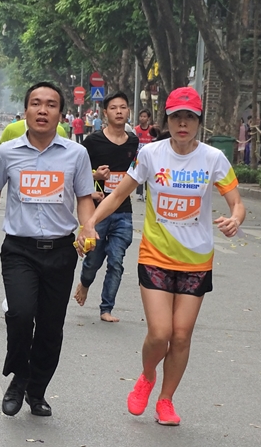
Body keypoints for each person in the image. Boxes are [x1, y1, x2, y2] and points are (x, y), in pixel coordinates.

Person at [77, 86, 245, 426]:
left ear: (199, 121)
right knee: (160, 333)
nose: (183, 123)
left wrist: (235, 219)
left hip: (196, 261)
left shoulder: (213, 159)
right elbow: (119, 193)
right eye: (176, 116)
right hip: (155, 256)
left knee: (181, 335)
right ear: (167, 119)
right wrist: (91, 222)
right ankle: (148, 375)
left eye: (190, 117)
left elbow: (237, 202)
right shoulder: (152, 154)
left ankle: (166, 400)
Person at [0, 81, 95, 418]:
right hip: (19, 249)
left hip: (60, 251)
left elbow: (85, 197)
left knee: (50, 326)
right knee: (20, 313)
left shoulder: (76, 154)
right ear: (26, 109)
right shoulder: (7, 152)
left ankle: (37, 389)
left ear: (61, 112)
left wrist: (88, 228)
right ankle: (19, 377)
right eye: (36, 103)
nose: (43, 110)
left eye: (51, 105)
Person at [73, 92, 139, 322]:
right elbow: (77, 173)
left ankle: (106, 308)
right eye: (114, 108)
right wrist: (95, 175)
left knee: (116, 261)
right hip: (98, 210)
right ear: (105, 113)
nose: (119, 111)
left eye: (123, 107)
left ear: (128, 111)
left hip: (123, 211)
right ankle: (85, 282)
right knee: (93, 260)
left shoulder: (134, 141)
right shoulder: (92, 142)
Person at [134, 109, 155, 201]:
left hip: (150, 157)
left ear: (148, 118)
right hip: (138, 156)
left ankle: (148, 193)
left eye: (144, 116)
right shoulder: (135, 130)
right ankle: (140, 194)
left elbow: (155, 143)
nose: (142, 118)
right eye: (141, 116)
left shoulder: (152, 130)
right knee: (139, 174)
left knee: (149, 175)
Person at [0, 118, 68, 145]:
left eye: (51, 106)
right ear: (26, 111)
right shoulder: (11, 129)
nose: (42, 111)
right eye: (36, 104)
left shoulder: (60, 130)